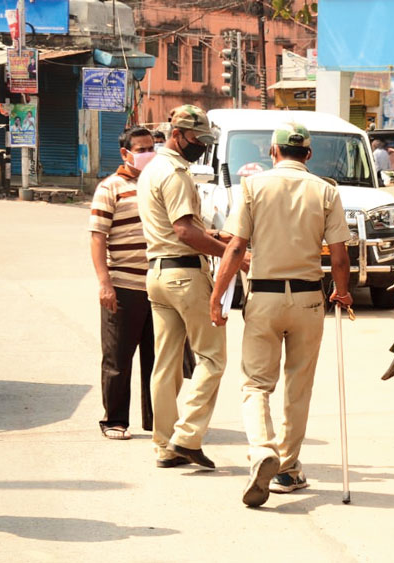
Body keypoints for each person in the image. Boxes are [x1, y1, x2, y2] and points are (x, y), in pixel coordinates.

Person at [209, 122, 352, 508]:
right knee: (298, 386)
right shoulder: (326, 191)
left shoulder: (253, 188)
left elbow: (236, 248)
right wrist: (342, 292)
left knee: (256, 384)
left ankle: (261, 451)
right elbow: (339, 255)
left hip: (265, 298)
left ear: (273, 153)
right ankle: (287, 468)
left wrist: (218, 294)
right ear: (308, 154)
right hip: (308, 299)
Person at [137, 105, 243, 469]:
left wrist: (214, 235)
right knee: (212, 357)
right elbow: (184, 232)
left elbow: (178, 228)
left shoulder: (152, 170)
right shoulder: (176, 173)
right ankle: (186, 437)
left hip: (158, 275)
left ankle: (164, 445)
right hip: (184, 275)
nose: (201, 146)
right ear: (177, 134)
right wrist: (231, 254)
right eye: (198, 140)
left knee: (165, 364)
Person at [89, 126, 157, 440]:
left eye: (151, 148)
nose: (147, 154)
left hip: (158, 284)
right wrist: (105, 283)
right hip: (124, 285)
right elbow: (97, 237)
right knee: (118, 357)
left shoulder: (157, 183)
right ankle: (114, 420)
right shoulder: (110, 188)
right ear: (125, 153)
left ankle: (156, 420)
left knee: (157, 358)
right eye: (141, 149)